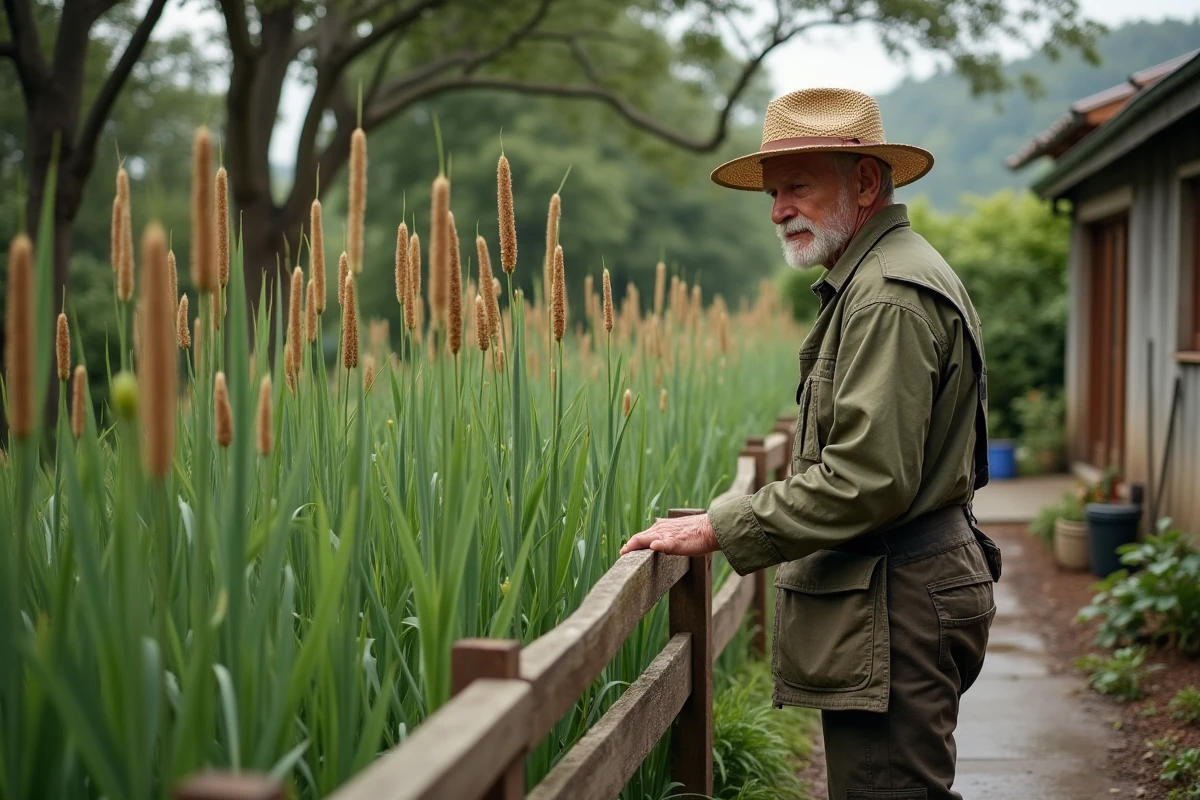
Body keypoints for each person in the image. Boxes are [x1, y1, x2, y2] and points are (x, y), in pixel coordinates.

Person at [620, 88, 1003, 800]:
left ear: (863, 181)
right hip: (900, 596)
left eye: (796, 185)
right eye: (771, 193)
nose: (777, 210)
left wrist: (719, 525)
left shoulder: (887, 293)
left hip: (900, 602)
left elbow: (868, 478)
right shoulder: (876, 279)